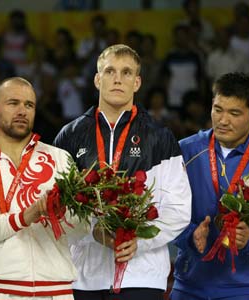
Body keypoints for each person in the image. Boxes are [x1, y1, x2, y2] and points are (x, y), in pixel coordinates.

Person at [53, 44, 192, 300]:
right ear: (97, 79)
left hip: (142, 276)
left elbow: (179, 207)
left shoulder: (159, 136)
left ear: (137, 82)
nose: (118, 79)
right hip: (83, 276)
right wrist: (91, 231)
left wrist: (139, 240)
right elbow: (57, 206)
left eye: (127, 72)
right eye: (109, 71)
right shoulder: (70, 136)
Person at [0, 77, 88, 300]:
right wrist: (23, 217)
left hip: (55, 292)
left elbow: (82, 228)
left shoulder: (59, 159)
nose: (22, 110)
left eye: (29, 105)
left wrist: (61, 214)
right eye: (13, 103)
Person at [171, 72, 249, 300]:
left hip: (246, 289)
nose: (223, 120)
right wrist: (189, 237)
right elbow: (165, 213)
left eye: (234, 113)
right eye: (218, 109)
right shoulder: (184, 151)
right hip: (189, 286)